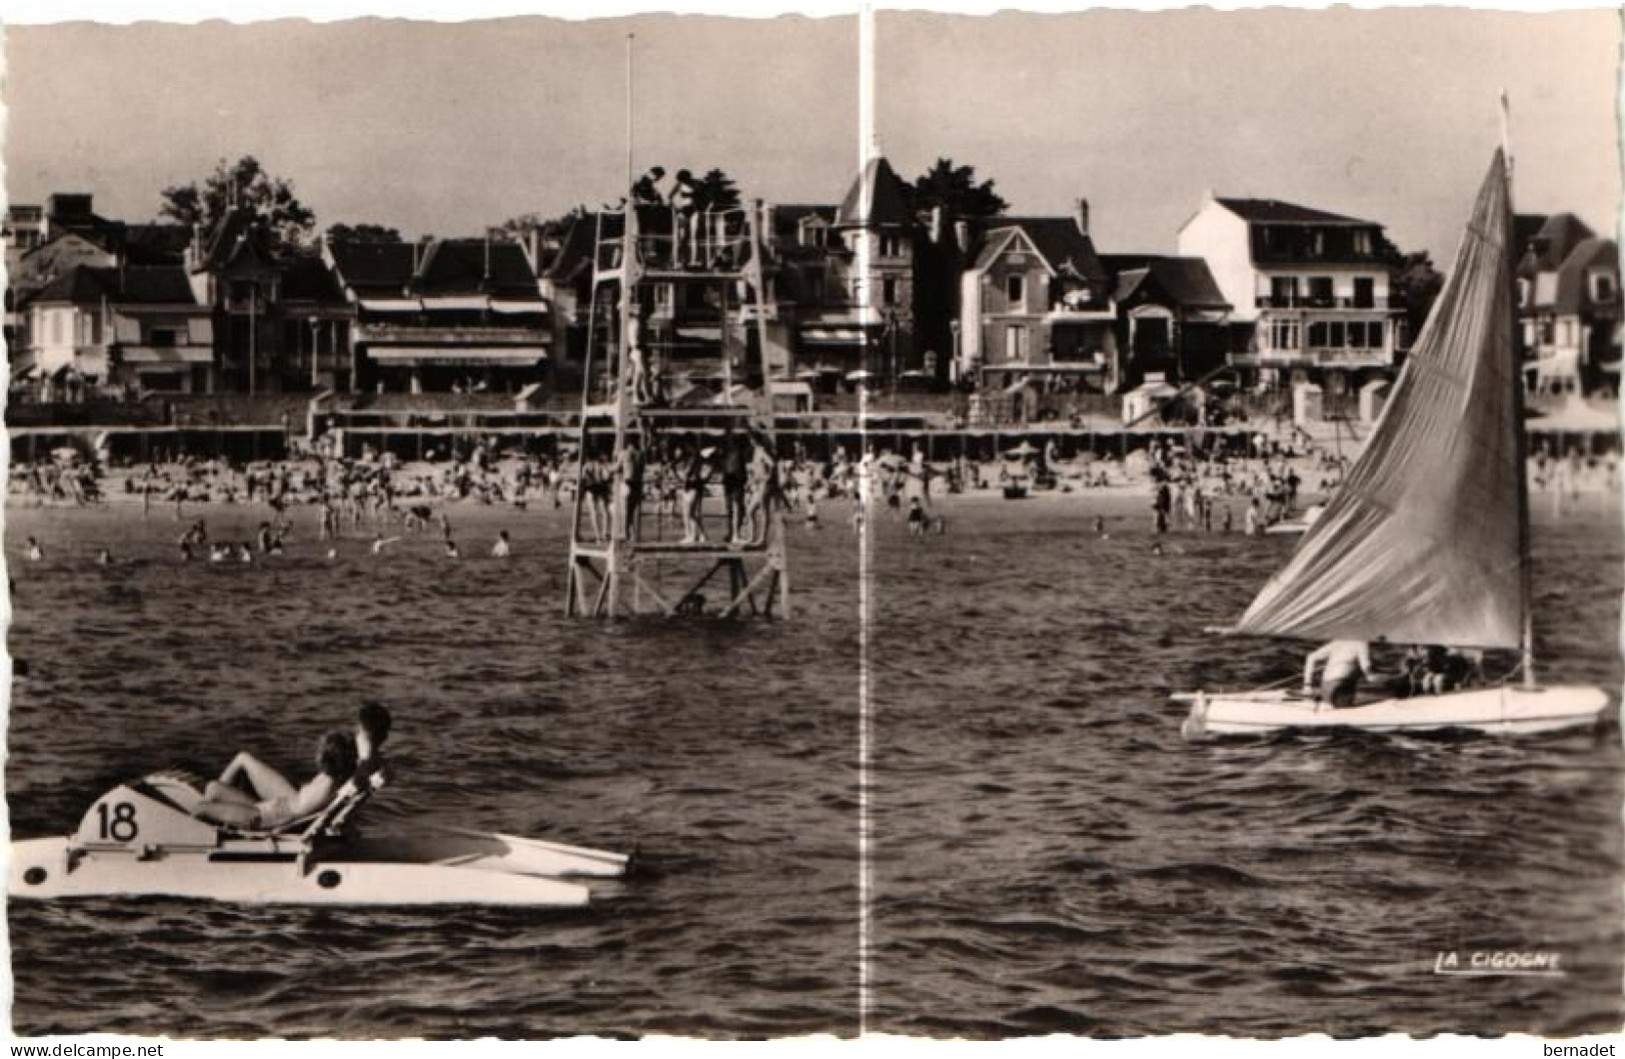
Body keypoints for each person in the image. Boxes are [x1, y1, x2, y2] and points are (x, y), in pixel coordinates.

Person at [195, 731, 358, 830]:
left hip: (261, 818)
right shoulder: (335, 776)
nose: (316, 753)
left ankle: (203, 833)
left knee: (201, 807)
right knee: (213, 787)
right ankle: (213, 823)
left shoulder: (327, 784)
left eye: (320, 751)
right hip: (274, 807)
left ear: (327, 759)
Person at [1303, 639, 1373, 708]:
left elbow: (1311, 657)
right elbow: (1365, 666)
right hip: (1339, 690)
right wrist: (1371, 677)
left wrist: (1307, 685)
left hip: (1325, 688)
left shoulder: (1336, 643)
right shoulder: (1361, 642)